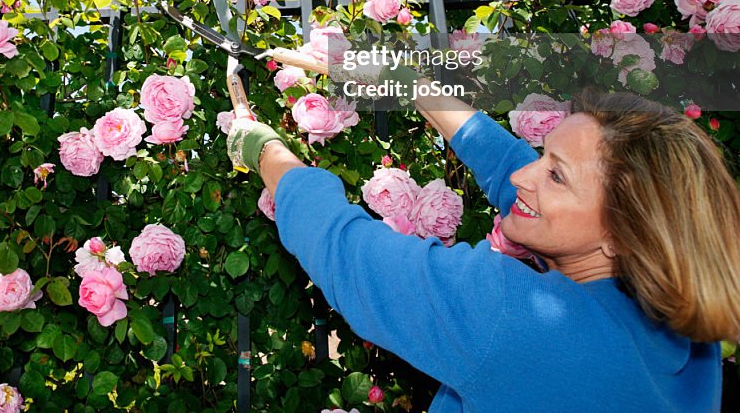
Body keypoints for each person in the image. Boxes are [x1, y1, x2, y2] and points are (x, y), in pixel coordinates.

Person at [226, 83, 740, 413]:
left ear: (626, 230)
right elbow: (513, 169)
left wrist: (261, 147)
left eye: (554, 174)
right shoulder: (684, 323)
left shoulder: (517, 316)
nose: (522, 175)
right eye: (542, 155)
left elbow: (344, 249)